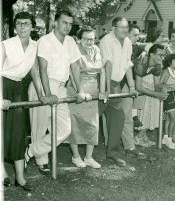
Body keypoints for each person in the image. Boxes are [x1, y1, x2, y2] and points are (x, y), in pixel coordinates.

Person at [25, 10, 86, 173]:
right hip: (43, 85)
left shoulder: (71, 42)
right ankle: (41, 161)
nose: (67, 26)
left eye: (70, 24)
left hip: (61, 87)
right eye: (64, 22)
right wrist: (46, 93)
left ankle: (31, 150)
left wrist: (80, 90)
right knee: (39, 126)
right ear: (56, 23)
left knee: (64, 128)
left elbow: (74, 67)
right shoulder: (45, 40)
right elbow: (42, 69)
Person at [0, 12, 39, 191]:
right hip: (3, 86)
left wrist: (42, 94)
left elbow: (34, 72)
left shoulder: (35, 46)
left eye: (26, 24)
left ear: (32, 26)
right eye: (19, 24)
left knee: (18, 133)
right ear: (15, 26)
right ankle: (3, 175)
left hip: (18, 89)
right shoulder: (6, 45)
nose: (23, 27)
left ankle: (20, 178)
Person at [99, 17, 137, 167]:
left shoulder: (127, 42)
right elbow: (107, 64)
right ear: (114, 27)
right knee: (92, 115)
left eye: (126, 27)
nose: (124, 30)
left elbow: (128, 64)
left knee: (118, 117)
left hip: (116, 83)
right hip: (102, 81)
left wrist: (132, 86)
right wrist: (108, 89)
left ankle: (112, 152)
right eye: (121, 27)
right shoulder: (107, 40)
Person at [67, 26, 106, 168]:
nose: (90, 42)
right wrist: (80, 91)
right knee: (75, 124)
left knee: (92, 125)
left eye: (92, 39)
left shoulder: (96, 50)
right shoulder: (75, 50)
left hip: (93, 91)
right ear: (79, 39)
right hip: (78, 89)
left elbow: (102, 71)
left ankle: (89, 157)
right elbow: (72, 73)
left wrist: (102, 90)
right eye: (87, 39)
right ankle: (76, 156)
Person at [118, 24, 146, 160]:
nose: (137, 37)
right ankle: (112, 144)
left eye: (138, 35)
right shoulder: (117, 46)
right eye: (134, 34)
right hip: (114, 83)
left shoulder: (138, 50)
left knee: (127, 116)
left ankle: (129, 146)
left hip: (128, 85)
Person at [134, 44, 168, 147]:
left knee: (152, 108)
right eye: (160, 55)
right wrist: (156, 94)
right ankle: (138, 137)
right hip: (133, 85)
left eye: (163, 55)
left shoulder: (157, 65)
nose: (162, 58)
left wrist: (163, 88)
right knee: (145, 111)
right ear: (152, 55)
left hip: (147, 86)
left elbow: (157, 84)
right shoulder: (141, 62)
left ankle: (143, 136)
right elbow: (138, 87)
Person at [160, 54, 175, 149]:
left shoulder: (173, 71)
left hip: (173, 95)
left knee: (168, 118)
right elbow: (160, 84)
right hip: (168, 97)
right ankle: (170, 140)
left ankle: (165, 137)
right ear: (169, 62)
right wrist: (171, 87)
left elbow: (173, 84)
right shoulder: (166, 71)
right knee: (174, 119)